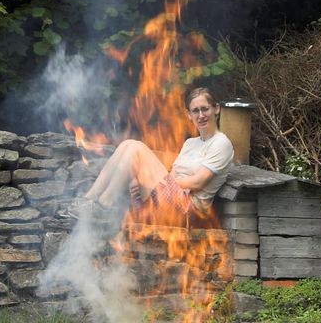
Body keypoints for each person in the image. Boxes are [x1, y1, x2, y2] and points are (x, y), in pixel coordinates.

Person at [71, 87, 234, 227]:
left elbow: (197, 182)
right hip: (170, 199)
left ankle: (105, 205)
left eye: (205, 109)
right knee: (127, 144)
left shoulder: (221, 143)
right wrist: (136, 176)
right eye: (195, 111)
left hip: (189, 211)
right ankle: (88, 200)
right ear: (189, 115)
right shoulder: (191, 143)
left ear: (216, 109)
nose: (201, 115)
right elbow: (172, 175)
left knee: (136, 147)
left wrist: (153, 180)